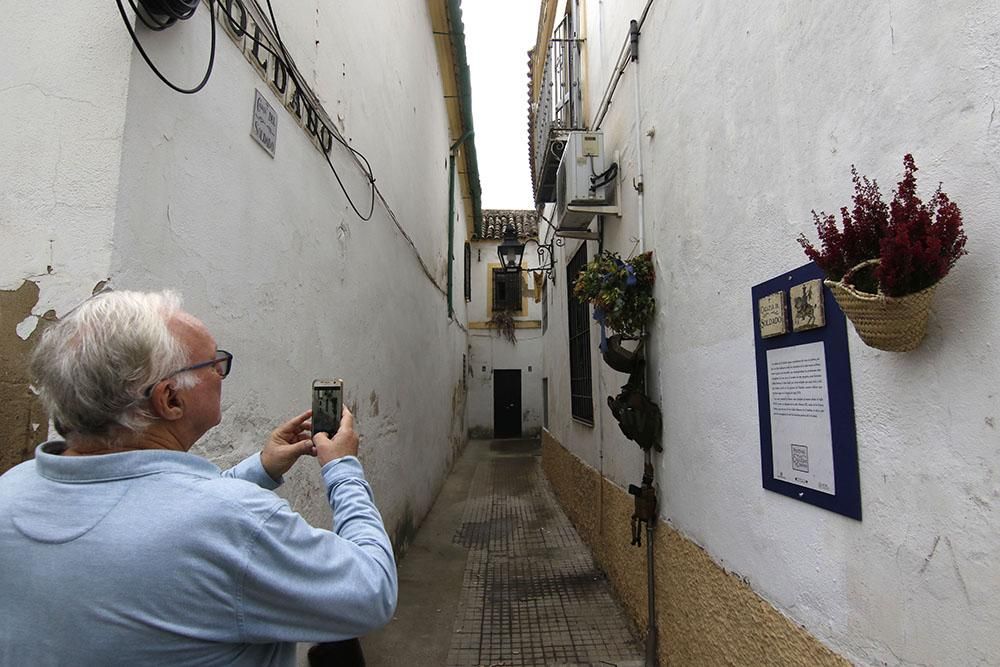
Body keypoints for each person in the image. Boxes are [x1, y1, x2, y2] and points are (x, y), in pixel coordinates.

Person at [0, 290, 397, 666]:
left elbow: (152, 510)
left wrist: (262, 467)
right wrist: (342, 468)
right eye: (213, 364)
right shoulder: (236, 523)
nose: (221, 374)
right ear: (170, 399)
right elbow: (371, 590)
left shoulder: (11, 491)